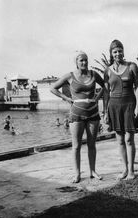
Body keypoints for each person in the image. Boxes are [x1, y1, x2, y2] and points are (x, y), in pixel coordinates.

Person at [50, 51, 105, 183]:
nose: (84, 62)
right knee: (76, 146)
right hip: (76, 114)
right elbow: (53, 88)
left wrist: (97, 97)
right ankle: (77, 174)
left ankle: (93, 171)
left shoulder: (93, 74)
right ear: (76, 62)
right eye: (81, 60)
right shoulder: (69, 76)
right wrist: (66, 98)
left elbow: (105, 85)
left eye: (86, 60)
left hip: (93, 113)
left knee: (92, 145)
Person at [103, 39, 138, 180]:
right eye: (115, 51)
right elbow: (106, 93)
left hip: (129, 104)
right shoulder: (107, 70)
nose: (118, 53)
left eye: (120, 50)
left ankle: (131, 171)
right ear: (111, 54)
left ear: (123, 51)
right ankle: (124, 169)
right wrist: (105, 112)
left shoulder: (132, 66)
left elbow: (137, 86)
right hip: (114, 106)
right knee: (119, 140)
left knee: (129, 139)